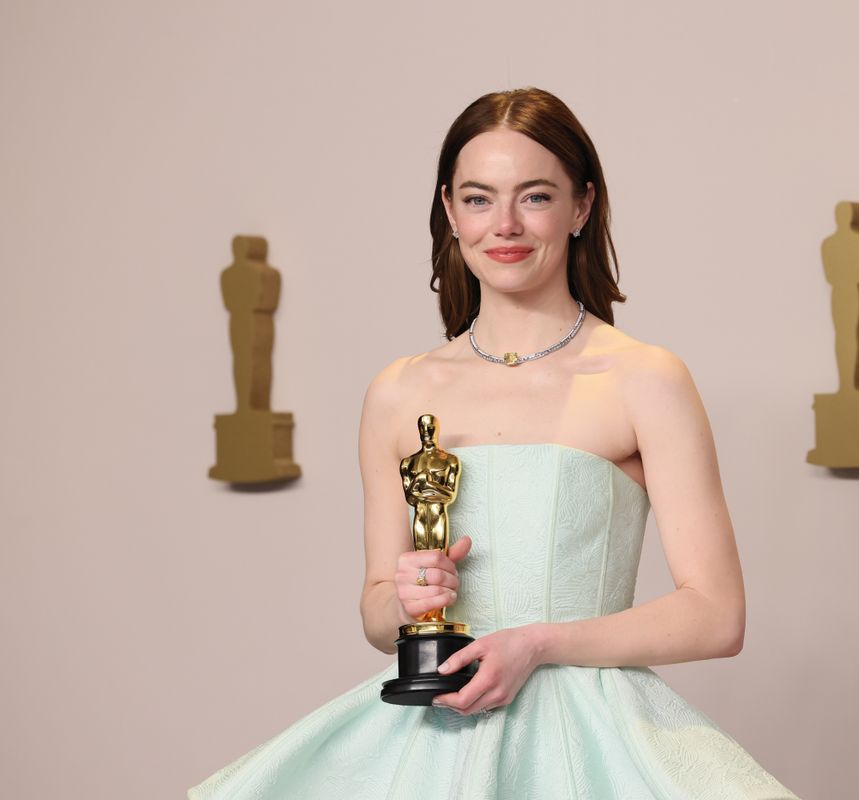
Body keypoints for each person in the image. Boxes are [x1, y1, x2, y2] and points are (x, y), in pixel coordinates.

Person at [188, 87, 799, 799]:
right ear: (449, 210)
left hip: (592, 743)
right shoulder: (398, 392)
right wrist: (407, 601)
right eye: (478, 199)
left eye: (535, 196)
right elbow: (378, 612)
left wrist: (539, 644)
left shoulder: (643, 378)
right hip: (428, 741)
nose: (504, 225)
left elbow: (717, 615)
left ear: (582, 206)